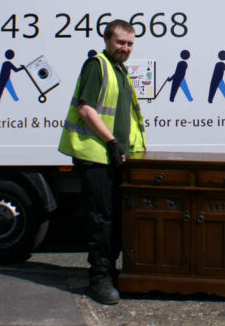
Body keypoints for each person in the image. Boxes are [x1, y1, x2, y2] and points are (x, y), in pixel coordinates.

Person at [58, 19, 147, 305]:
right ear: (107, 40)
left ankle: (109, 271)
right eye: (120, 42)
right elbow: (86, 109)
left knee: (115, 219)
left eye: (130, 43)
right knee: (102, 220)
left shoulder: (120, 70)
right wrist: (111, 142)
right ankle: (99, 279)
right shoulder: (97, 65)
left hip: (115, 157)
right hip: (96, 157)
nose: (125, 48)